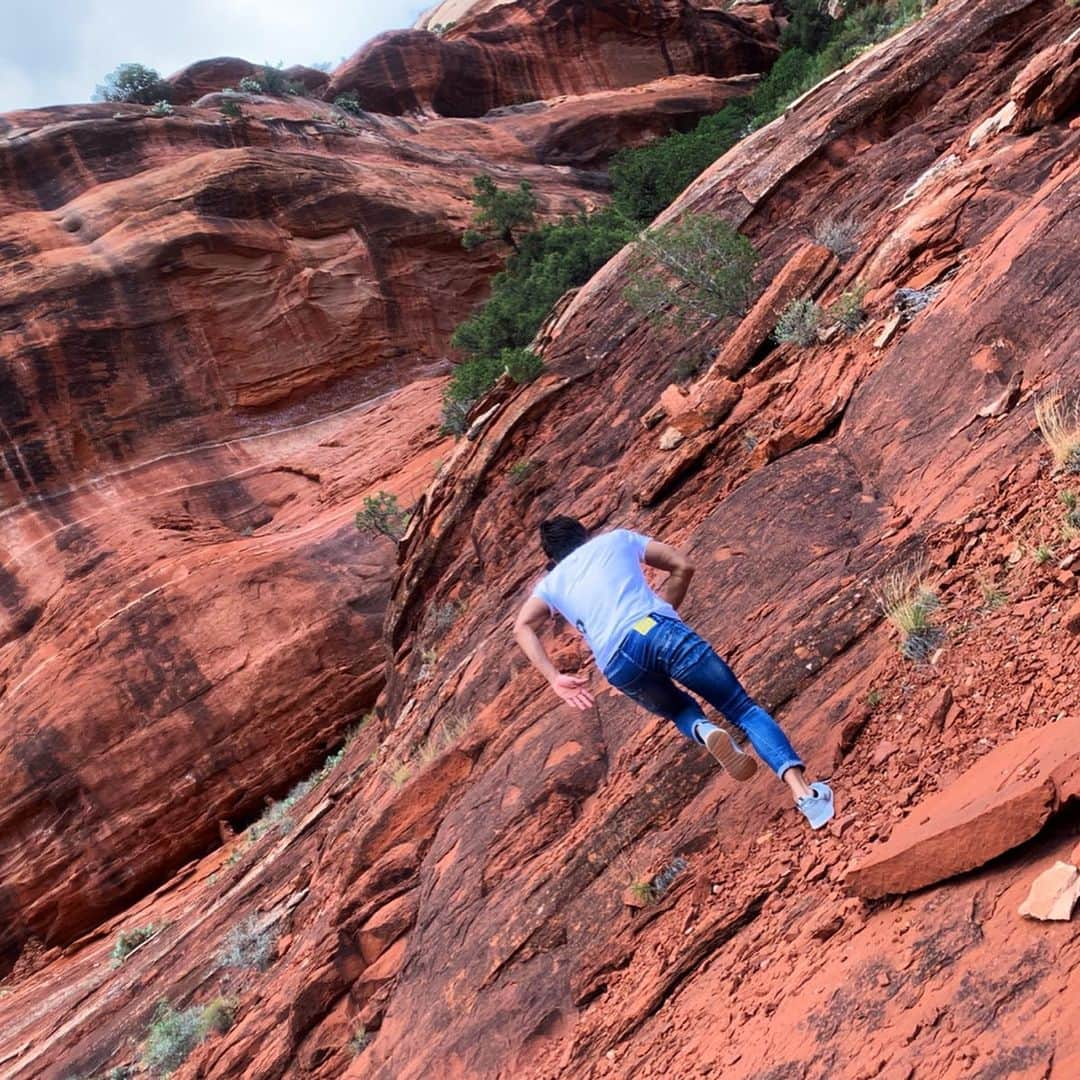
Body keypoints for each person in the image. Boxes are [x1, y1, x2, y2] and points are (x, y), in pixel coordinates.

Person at [513, 516, 835, 829]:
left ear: (552, 557)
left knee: (679, 709)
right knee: (741, 708)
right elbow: (683, 564)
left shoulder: (550, 585)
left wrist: (555, 678)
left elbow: (522, 627)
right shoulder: (617, 539)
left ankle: (704, 731)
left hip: (617, 663)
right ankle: (807, 797)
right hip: (656, 626)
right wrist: (664, 612)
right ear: (583, 534)